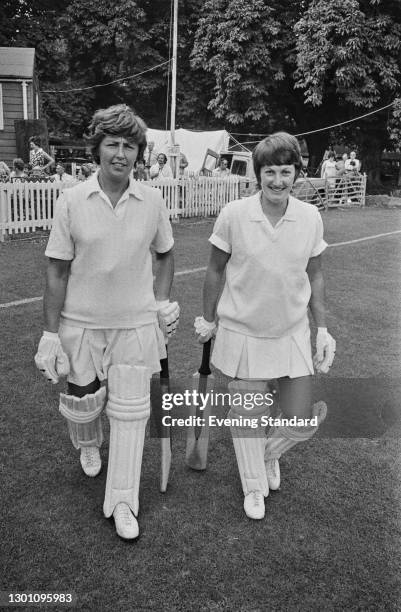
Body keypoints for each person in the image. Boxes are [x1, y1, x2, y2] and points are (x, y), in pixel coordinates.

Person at [34, 104, 179, 540]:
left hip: (135, 324)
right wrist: (49, 333)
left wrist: (160, 303)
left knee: (133, 412)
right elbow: (57, 270)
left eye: (130, 146)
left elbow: (166, 253)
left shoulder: (152, 199)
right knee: (83, 403)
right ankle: (88, 442)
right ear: (96, 149)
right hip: (81, 322)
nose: (121, 153)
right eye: (112, 144)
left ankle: (122, 500)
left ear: (139, 153)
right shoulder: (71, 200)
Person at [195, 132, 335, 520]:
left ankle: (267, 455)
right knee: (248, 418)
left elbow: (316, 275)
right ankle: (253, 485)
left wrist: (321, 329)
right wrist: (208, 319)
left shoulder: (310, 217)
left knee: (299, 418)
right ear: (257, 174)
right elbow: (214, 268)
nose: (277, 180)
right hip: (243, 332)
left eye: (285, 171)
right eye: (269, 171)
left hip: (290, 331)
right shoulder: (234, 214)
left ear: (296, 173)